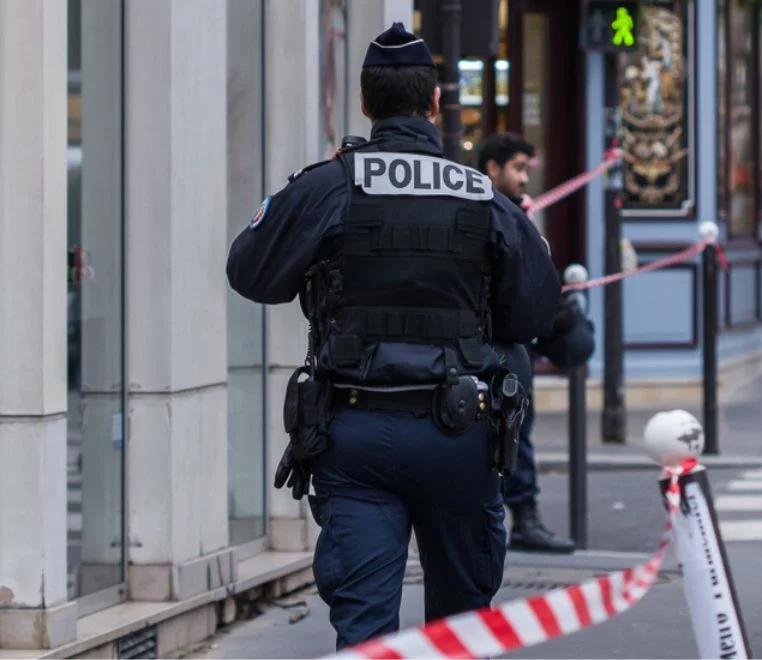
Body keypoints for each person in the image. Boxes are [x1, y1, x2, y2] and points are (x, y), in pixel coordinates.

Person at [225, 24, 561, 649]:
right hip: (460, 433)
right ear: (435, 104)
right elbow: (534, 315)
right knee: (460, 631)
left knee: (366, 633)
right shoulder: (483, 196)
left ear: (365, 104)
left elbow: (250, 272)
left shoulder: (328, 186)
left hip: (355, 437)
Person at [477, 132, 594, 554]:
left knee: (515, 431)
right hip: (489, 348)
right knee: (509, 433)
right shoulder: (491, 213)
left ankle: (522, 516)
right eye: (518, 169)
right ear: (493, 168)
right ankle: (520, 517)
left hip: (505, 344)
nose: (525, 178)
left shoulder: (516, 213)